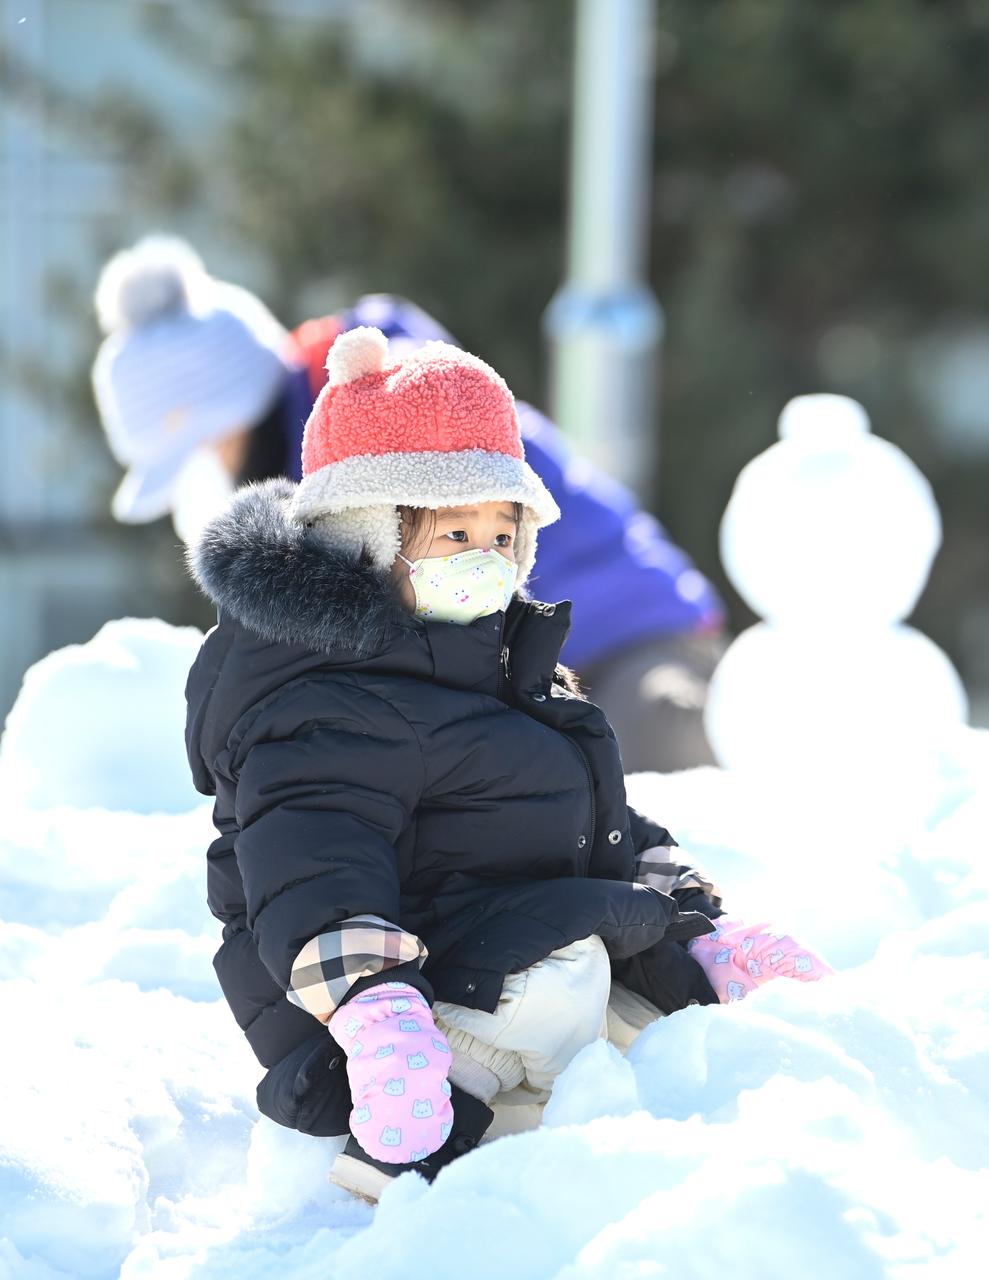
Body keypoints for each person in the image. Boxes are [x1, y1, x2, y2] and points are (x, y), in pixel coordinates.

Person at [183, 325, 827, 1201]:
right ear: (368, 538)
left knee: (666, 1030)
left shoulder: (494, 659)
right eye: (456, 535)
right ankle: (422, 1156)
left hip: (508, 950)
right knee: (551, 1029)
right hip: (389, 1014)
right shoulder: (322, 701)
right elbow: (314, 859)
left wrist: (692, 922)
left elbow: (588, 821)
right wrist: (375, 1010)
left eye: (503, 532)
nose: (486, 560)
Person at [96, 236, 723, 771]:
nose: (211, 478)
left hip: (631, 646)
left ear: (226, 418)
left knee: (664, 760)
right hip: (542, 668)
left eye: (201, 454)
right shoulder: (318, 447)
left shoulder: (394, 418)